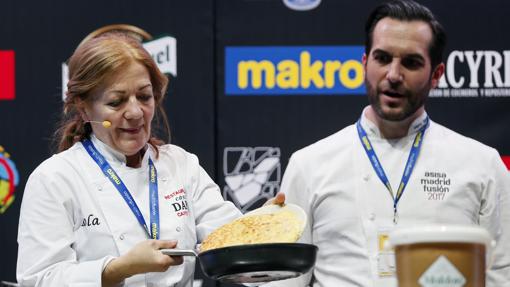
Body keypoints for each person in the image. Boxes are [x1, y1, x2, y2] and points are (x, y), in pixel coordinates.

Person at [267, 1, 510, 286]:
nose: (394, 75)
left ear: (436, 74)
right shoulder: (309, 164)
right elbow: (284, 282)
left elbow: (501, 276)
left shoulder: (482, 164)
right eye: (382, 58)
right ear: (364, 63)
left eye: (411, 62)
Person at [16, 32, 245, 286]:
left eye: (144, 97)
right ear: (83, 107)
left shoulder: (181, 164)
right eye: (116, 102)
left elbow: (232, 243)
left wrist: (264, 228)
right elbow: (39, 279)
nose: (136, 112)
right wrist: (119, 269)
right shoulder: (55, 178)